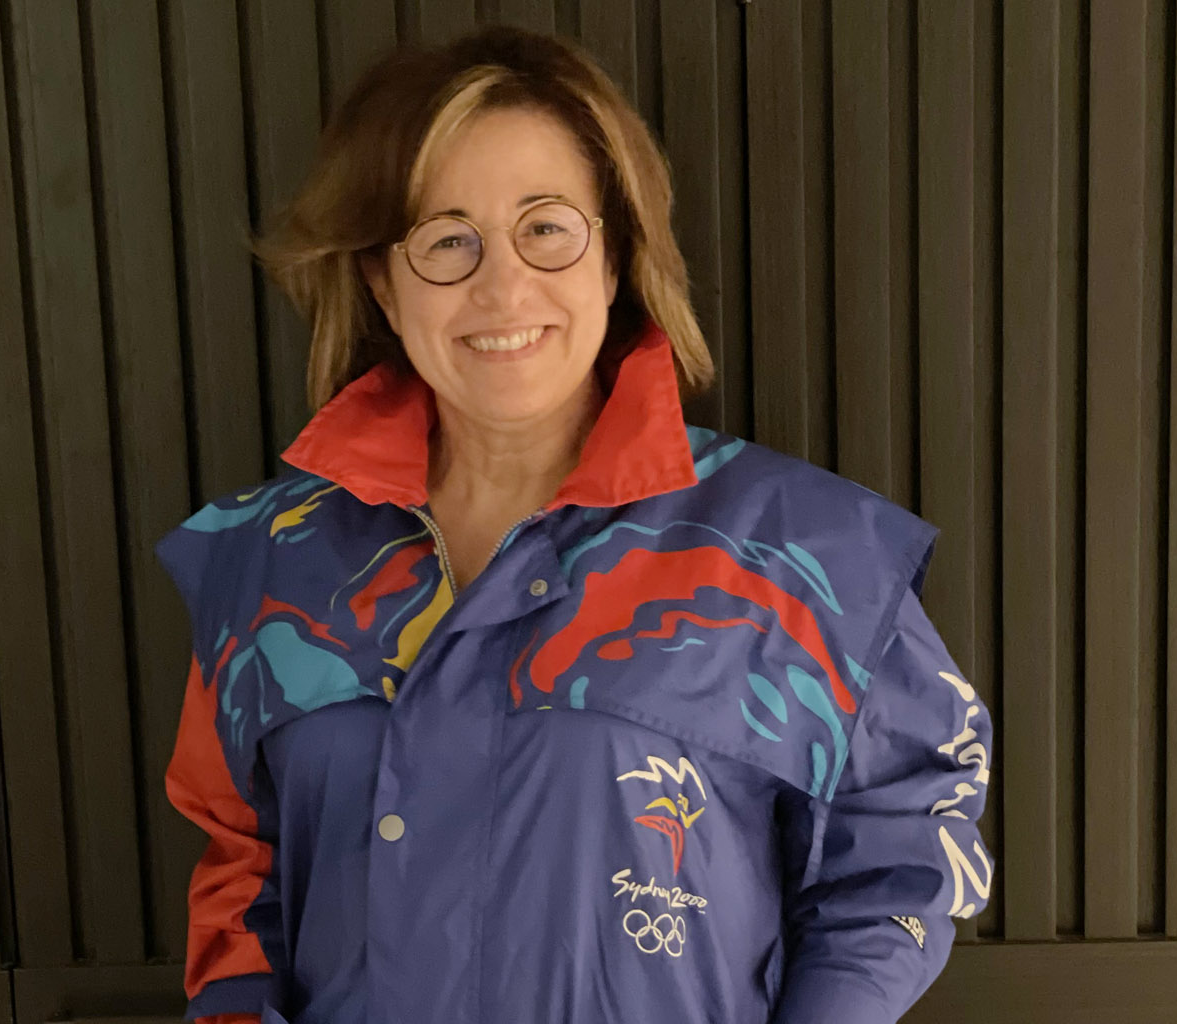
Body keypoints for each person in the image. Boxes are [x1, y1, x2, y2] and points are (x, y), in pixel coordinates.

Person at [157, 25, 993, 1024]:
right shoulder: (270, 562)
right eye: (447, 239)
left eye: (546, 228)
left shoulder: (801, 559)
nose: (502, 288)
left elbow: (903, 843)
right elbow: (240, 865)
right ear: (383, 279)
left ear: (615, 258)